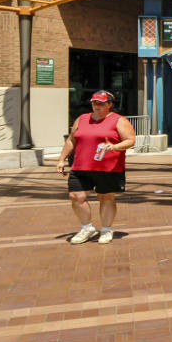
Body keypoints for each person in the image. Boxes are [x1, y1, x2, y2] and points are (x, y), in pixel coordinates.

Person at [56, 90, 135, 244]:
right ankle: (87, 227)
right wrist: (61, 159)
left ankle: (106, 229)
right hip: (80, 166)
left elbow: (130, 140)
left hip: (108, 167)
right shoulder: (82, 119)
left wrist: (114, 146)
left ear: (109, 105)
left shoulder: (119, 120)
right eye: (94, 103)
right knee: (76, 196)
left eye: (101, 103)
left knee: (106, 197)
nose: (97, 106)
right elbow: (72, 141)